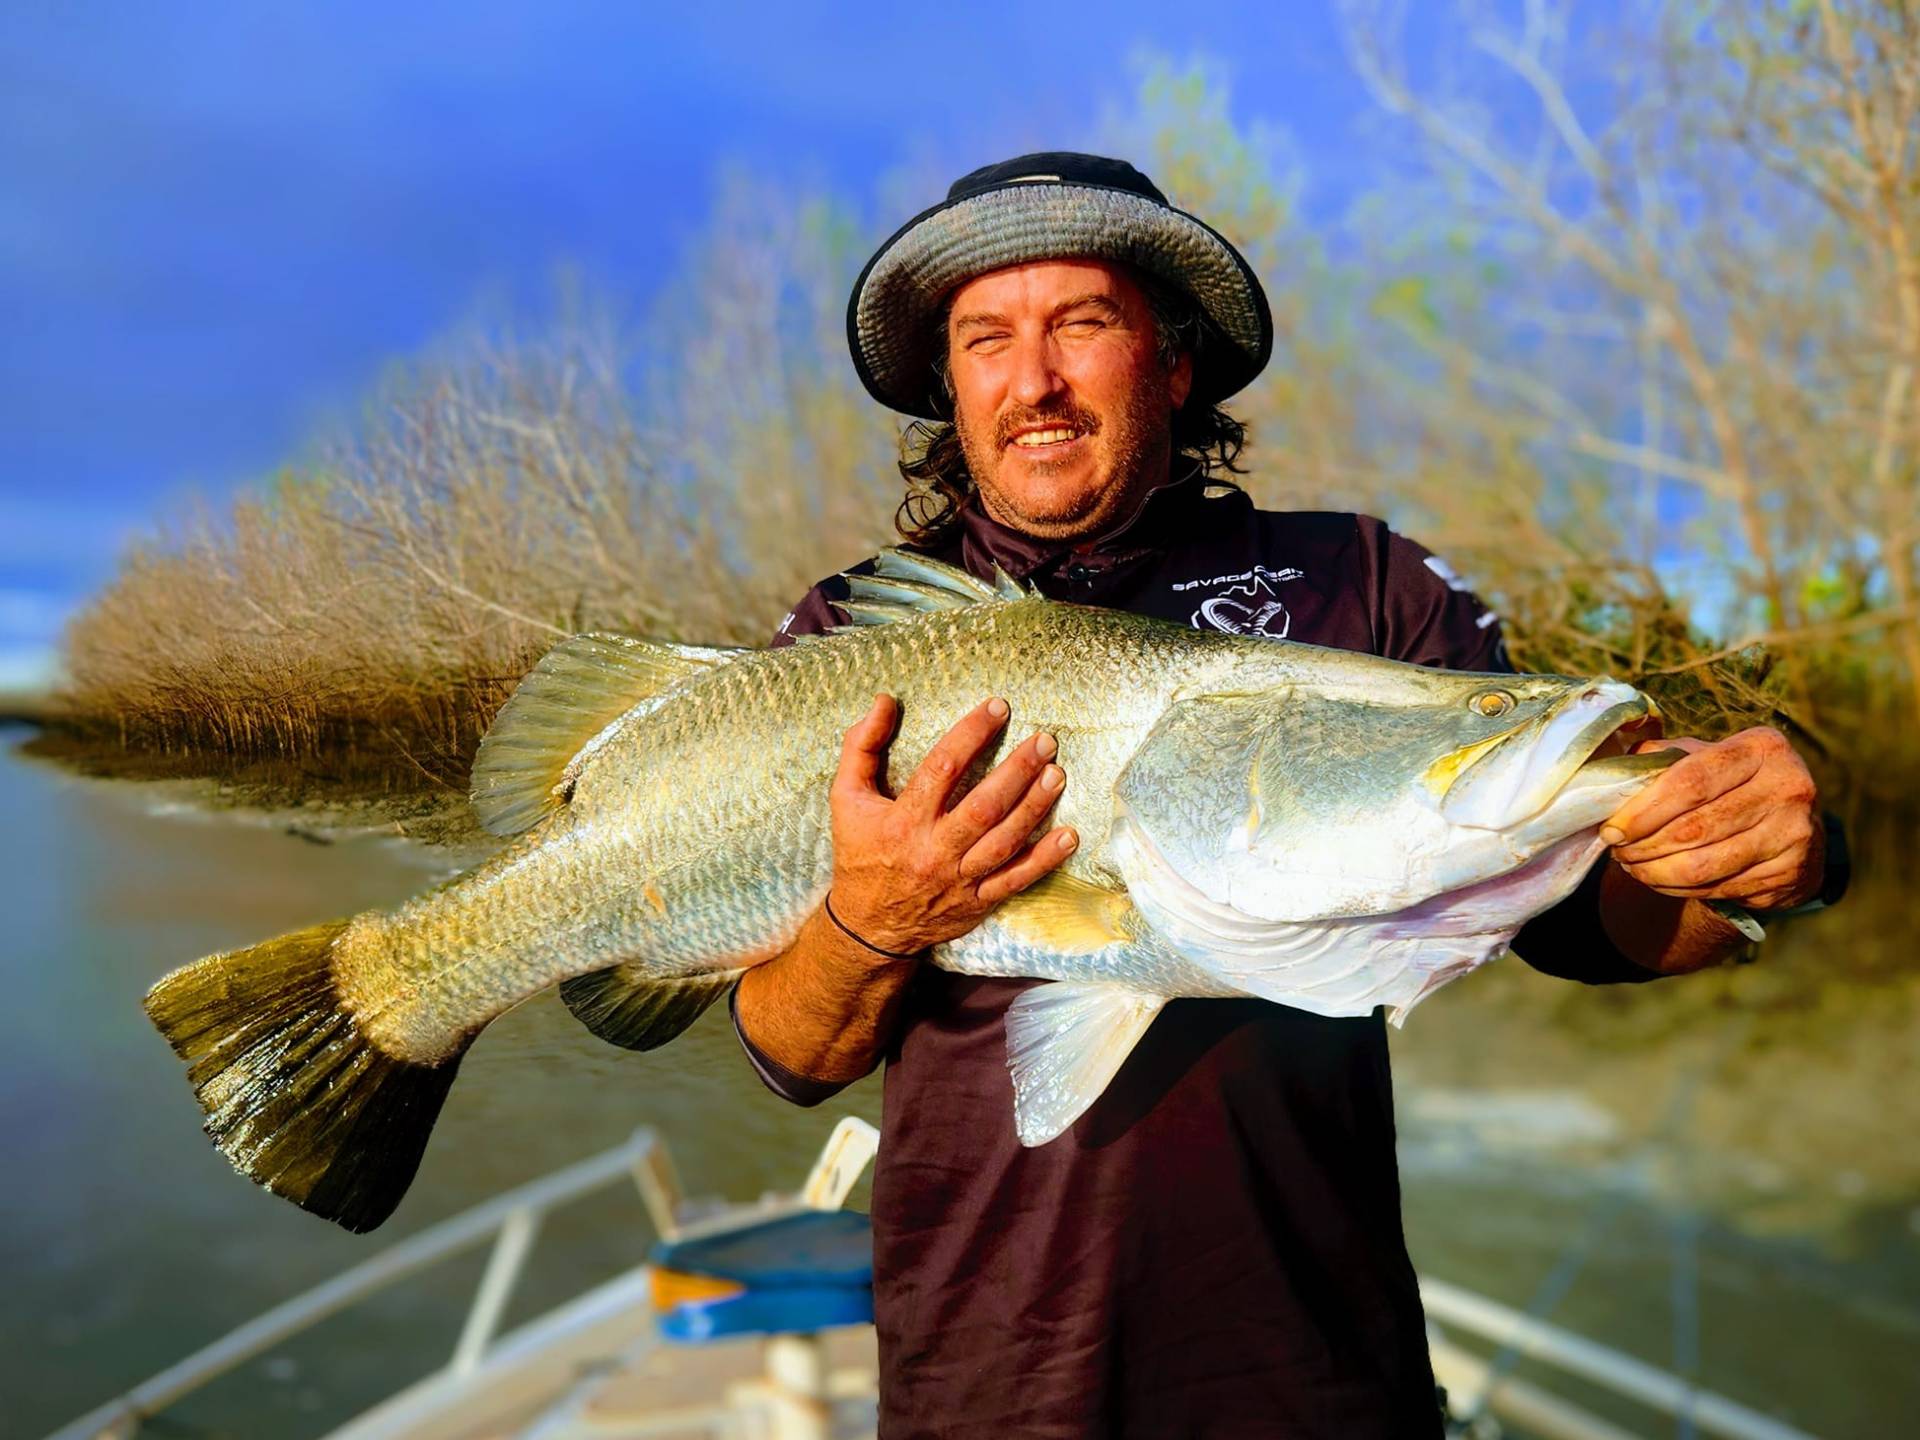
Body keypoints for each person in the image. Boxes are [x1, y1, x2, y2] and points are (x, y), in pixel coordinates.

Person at [731, 152, 1842, 1439]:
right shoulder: (840, 640)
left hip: (1320, 1383)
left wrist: (1747, 859)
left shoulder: (1364, 583)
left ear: (1176, 361)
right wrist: (871, 922)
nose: (1032, 379)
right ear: (952, 385)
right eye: (986, 339)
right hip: (985, 1390)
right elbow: (789, 1053)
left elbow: (1587, 923)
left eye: (1083, 323)